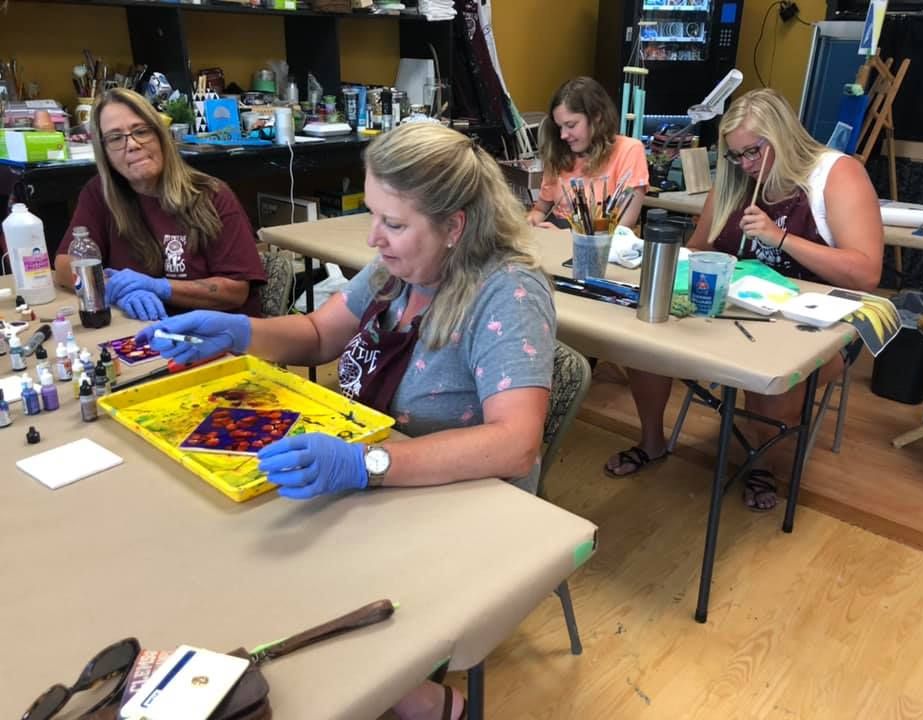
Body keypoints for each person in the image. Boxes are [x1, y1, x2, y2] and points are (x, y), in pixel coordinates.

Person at [138, 122, 557, 720]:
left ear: (454, 226)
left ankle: (423, 700)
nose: (374, 237)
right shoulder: (398, 271)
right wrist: (239, 333)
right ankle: (399, 693)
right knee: (243, 560)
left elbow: (517, 445)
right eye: (374, 215)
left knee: (280, 597)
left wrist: (366, 463)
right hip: (382, 484)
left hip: (463, 510)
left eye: (394, 222)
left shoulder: (507, 294)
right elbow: (316, 334)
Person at [604, 88, 883, 511]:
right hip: (738, 312)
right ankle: (652, 441)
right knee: (646, 344)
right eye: (735, 156)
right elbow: (696, 251)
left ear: (783, 138)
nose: (745, 165)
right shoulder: (737, 178)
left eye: (753, 152)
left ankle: (762, 465)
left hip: (820, 324)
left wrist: (780, 238)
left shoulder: (836, 174)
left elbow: (866, 273)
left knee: (770, 379)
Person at [53, 88, 266, 321]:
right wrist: (113, 288)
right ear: (104, 152)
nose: (132, 144)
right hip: (142, 330)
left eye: (141, 131)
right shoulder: (100, 193)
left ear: (161, 136)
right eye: (115, 138)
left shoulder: (211, 195)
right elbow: (64, 265)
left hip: (215, 334)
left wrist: (161, 288)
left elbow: (235, 291)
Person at [527, 76, 650, 231]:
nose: (563, 135)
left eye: (571, 125)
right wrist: (531, 223)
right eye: (560, 127)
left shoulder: (629, 150)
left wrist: (567, 238)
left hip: (602, 249)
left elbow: (622, 227)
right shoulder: (559, 153)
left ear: (597, 116)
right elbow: (540, 210)